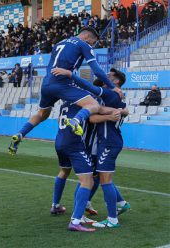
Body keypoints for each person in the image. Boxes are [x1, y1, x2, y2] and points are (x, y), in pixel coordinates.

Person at [9, 27, 122, 155]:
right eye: (92, 42)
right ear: (87, 37)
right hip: (63, 84)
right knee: (93, 105)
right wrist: (113, 87)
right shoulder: (83, 45)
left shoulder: (60, 43)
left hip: (47, 83)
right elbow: (97, 70)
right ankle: (76, 121)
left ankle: (20, 134)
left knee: (42, 114)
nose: (92, 45)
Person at [52, 67, 131, 229]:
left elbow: (93, 111)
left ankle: (111, 217)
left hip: (107, 142)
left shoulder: (110, 94)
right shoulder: (113, 95)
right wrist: (122, 111)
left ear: (116, 82)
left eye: (111, 75)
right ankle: (106, 206)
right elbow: (121, 109)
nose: (106, 75)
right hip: (103, 141)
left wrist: (70, 75)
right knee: (98, 176)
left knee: (101, 178)